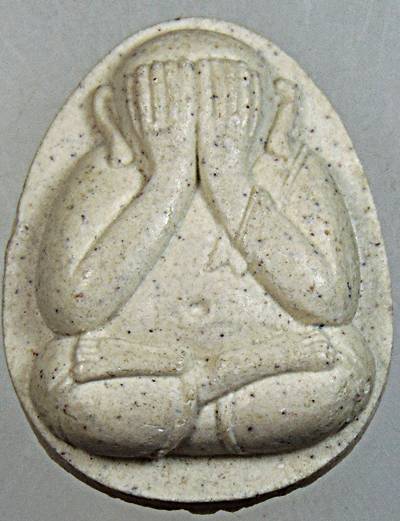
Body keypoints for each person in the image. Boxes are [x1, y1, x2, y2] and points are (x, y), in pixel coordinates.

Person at [30, 30, 374, 458]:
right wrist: (169, 177)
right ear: (113, 110)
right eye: (164, 93)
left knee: (346, 366)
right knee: (57, 378)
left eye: (227, 93)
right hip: (147, 367)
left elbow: (331, 302)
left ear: (273, 106)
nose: (196, 114)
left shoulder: (292, 167)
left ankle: (193, 397)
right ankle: (208, 388)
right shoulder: (106, 172)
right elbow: (70, 310)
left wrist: (228, 178)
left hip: (243, 368)